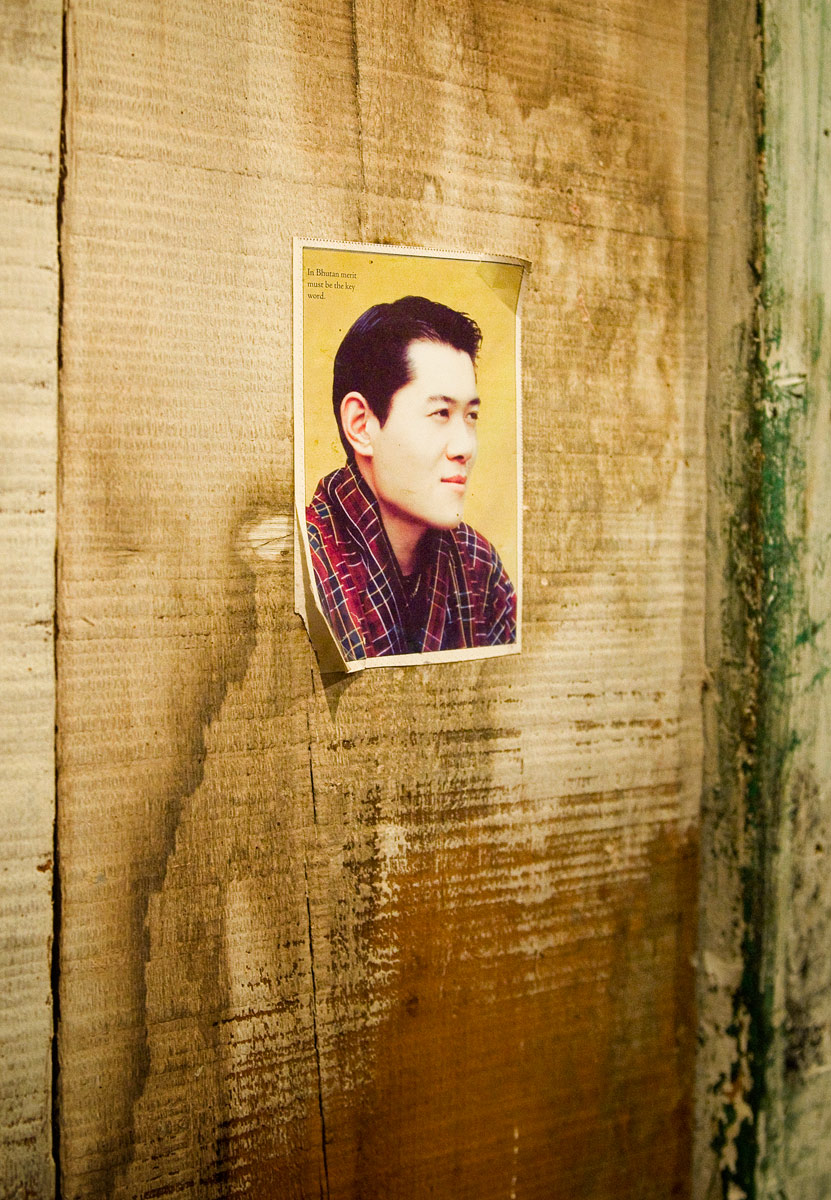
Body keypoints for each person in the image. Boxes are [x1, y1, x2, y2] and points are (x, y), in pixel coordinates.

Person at [306, 295, 516, 661]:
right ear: (361, 425)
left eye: (471, 416)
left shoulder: (478, 566)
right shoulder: (307, 563)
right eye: (440, 412)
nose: (465, 446)